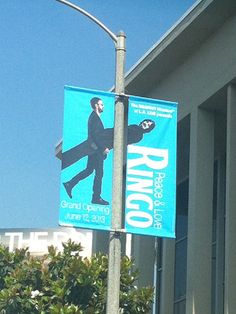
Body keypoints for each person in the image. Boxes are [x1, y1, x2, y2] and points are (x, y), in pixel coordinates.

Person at [63, 97, 109, 205]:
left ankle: (70, 183)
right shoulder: (94, 118)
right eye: (101, 104)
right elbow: (95, 136)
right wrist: (103, 148)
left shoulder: (95, 117)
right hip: (96, 150)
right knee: (99, 173)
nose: (103, 106)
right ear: (96, 105)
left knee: (89, 170)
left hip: (94, 149)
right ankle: (96, 198)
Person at [61, 119, 156, 170]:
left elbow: (122, 138)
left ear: (149, 129)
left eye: (149, 125)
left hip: (102, 143)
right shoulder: (135, 127)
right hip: (101, 139)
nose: (146, 124)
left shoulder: (138, 135)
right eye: (147, 122)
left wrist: (104, 147)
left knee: (79, 154)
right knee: (78, 153)